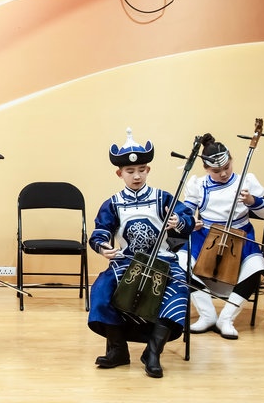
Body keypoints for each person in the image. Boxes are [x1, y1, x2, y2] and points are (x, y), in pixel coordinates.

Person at [87, 129, 195, 378]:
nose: (136, 176)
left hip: (163, 261)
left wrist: (178, 221)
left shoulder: (163, 198)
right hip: (127, 261)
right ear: (119, 173)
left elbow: (188, 220)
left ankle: (153, 352)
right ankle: (118, 350)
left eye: (141, 170)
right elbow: (99, 232)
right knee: (101, 289)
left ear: (148, 170)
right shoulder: (112, 203)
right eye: (130, 171)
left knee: (178, 290)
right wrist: (103, 248)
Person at [179, 132, 264, 339]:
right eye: (216, 171)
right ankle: (207, 315)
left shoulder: (246, 181)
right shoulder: (198, 185)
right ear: (206, 169)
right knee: (180, 263)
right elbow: (186, 212)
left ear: (231, 161)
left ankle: (226, 318)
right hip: (206, 236)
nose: (223, 174)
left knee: (256, 268)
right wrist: (190, 222)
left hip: (240, 236)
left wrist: (252, 201)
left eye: (226, 167)